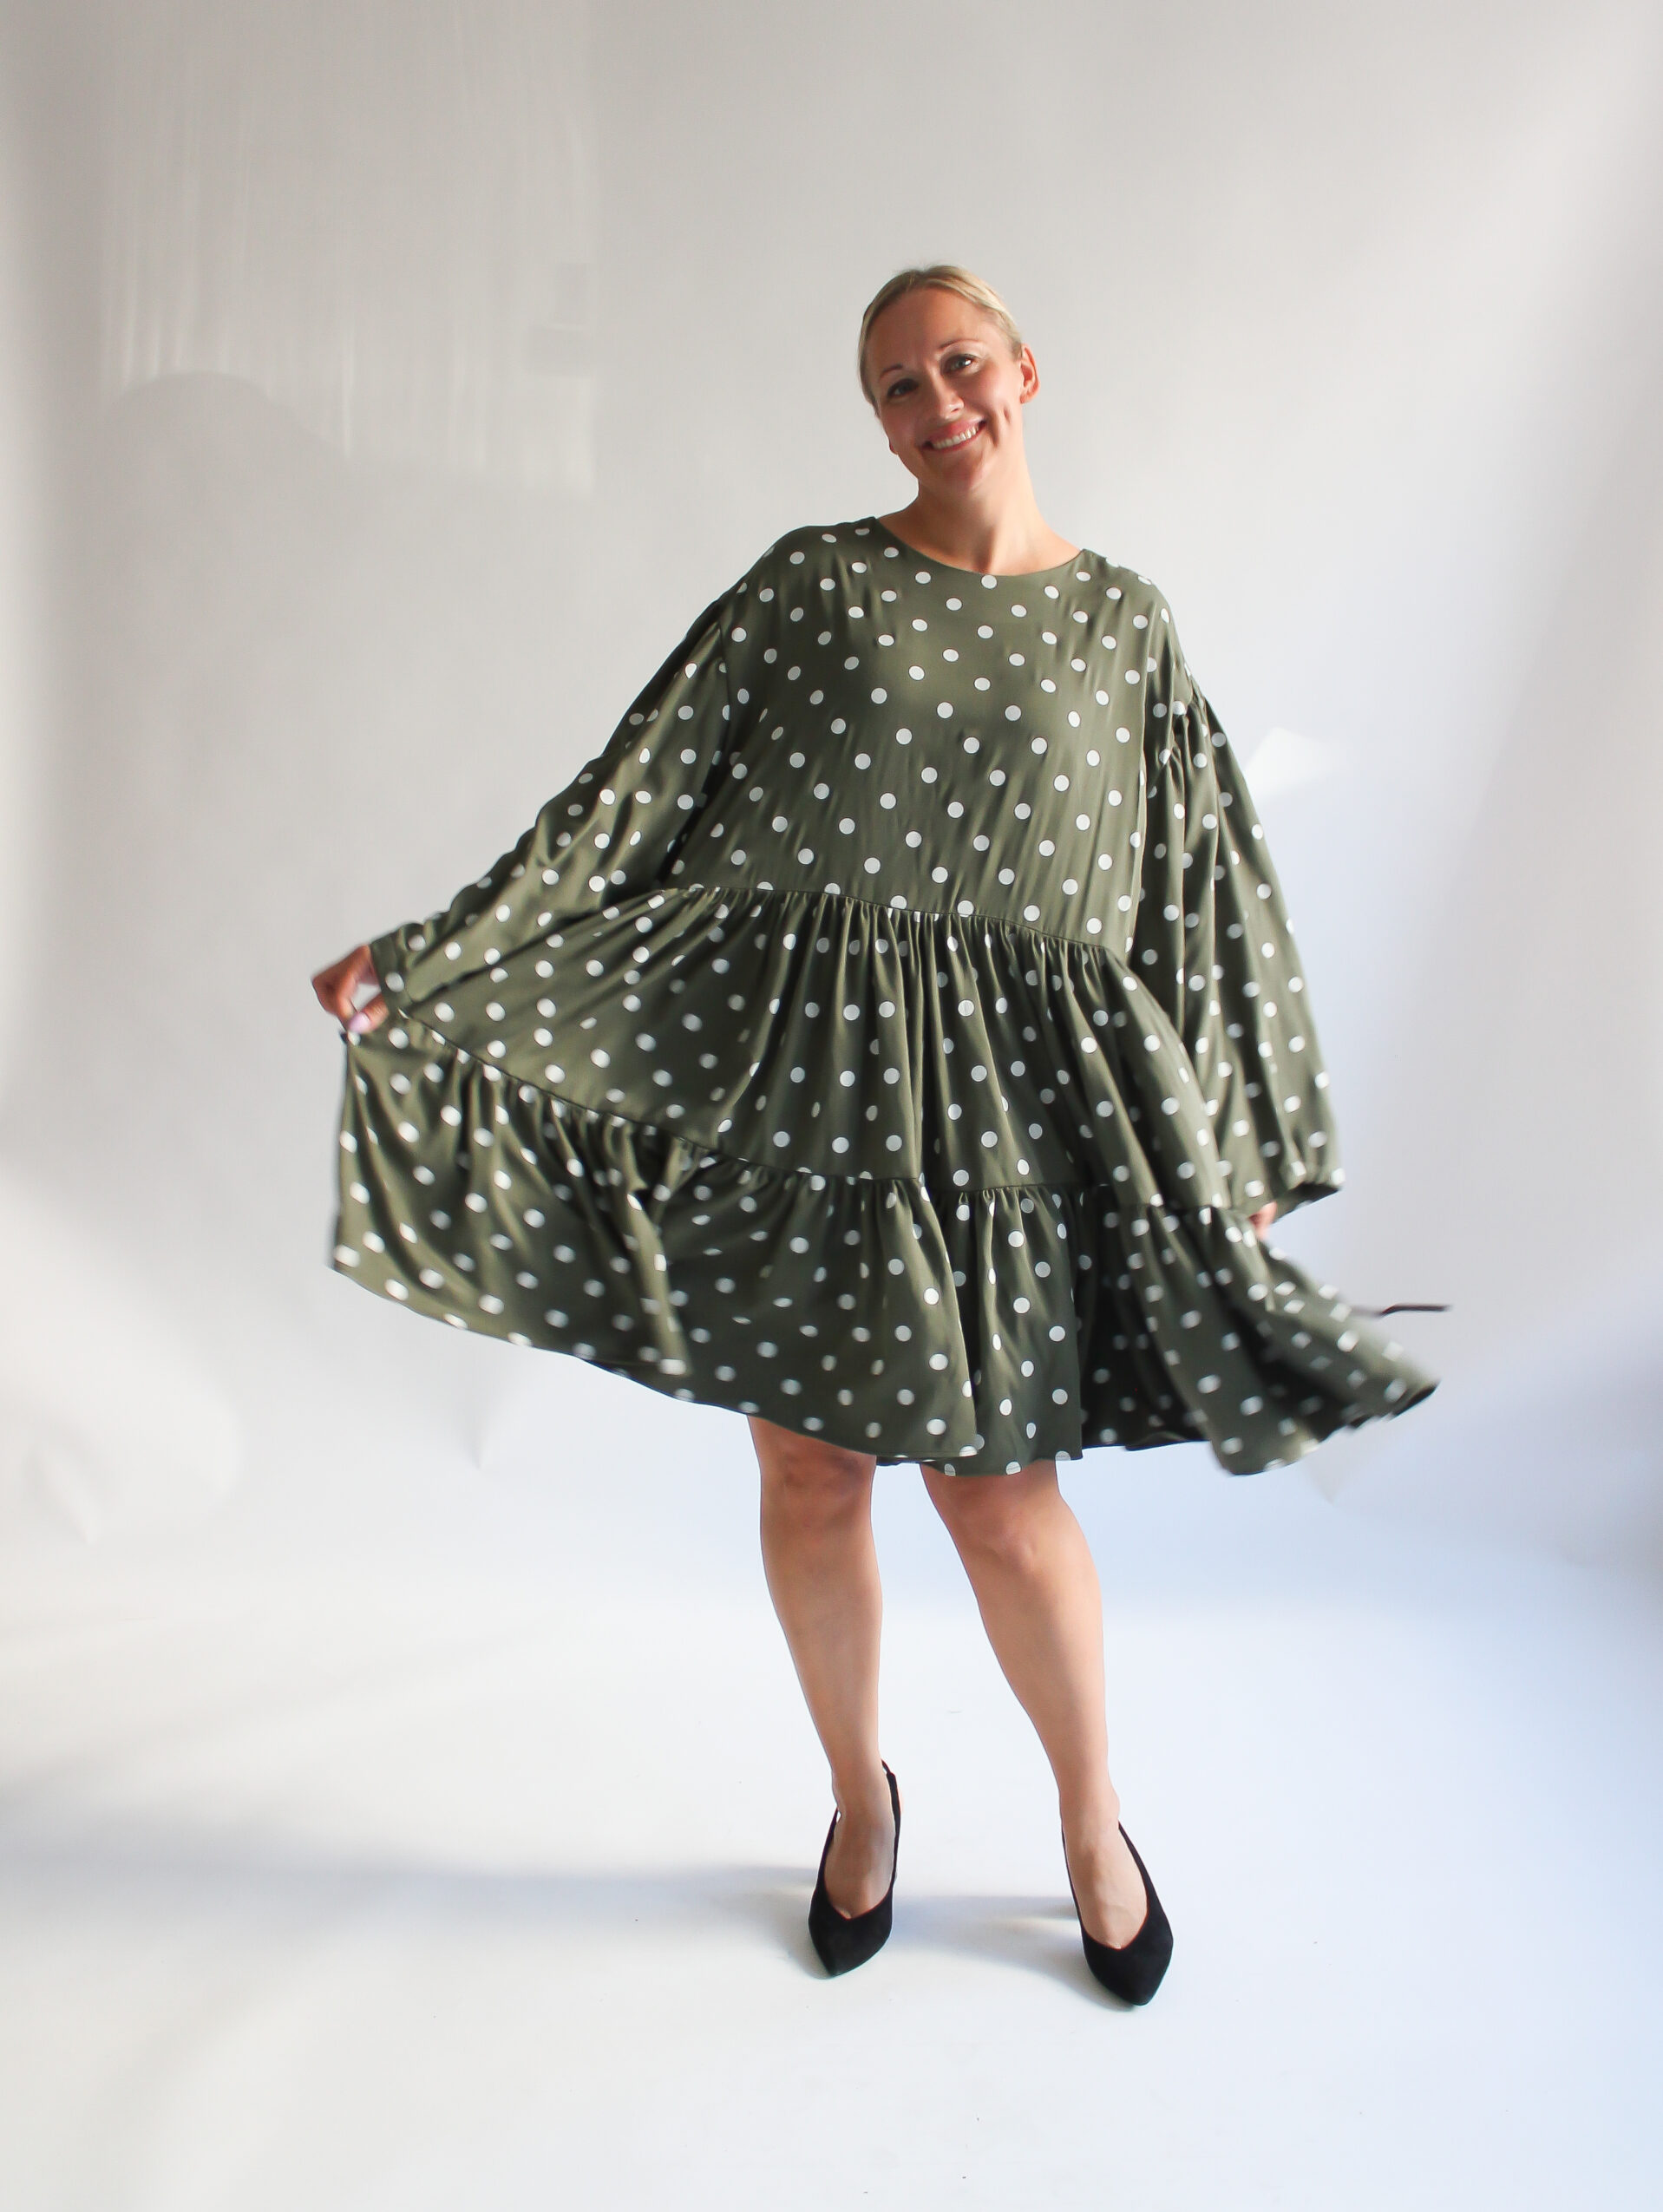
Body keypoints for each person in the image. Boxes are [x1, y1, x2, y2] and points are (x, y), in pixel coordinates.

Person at [313, 265, 1434, 2001]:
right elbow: (632, 798)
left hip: (1007, 1119)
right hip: (809, 1087)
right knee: (808, 1469)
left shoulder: (1120, 625)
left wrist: (1243, 1141)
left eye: (957, 364)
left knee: (997, 1494)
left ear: (1025, 372)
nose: (934, 404)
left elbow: (1198, 890)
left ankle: (1087, 1820)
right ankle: (857, 1798)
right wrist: (434, 955)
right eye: (895, 384)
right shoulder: (810, 585)